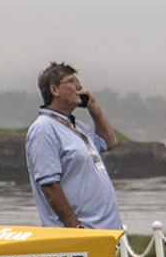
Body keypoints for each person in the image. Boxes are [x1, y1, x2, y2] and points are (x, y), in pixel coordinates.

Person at [24, 62, 122, 230]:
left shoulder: (78, 127)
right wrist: (74, 226)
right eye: (72, 81)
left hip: (105, 231)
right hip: (81, 234)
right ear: (54, 90)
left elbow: (109, 142)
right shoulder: (43, 129)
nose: (80, 87)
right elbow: (49, 184)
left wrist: (93, 106)